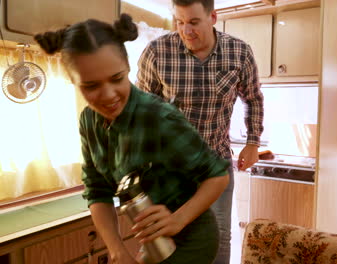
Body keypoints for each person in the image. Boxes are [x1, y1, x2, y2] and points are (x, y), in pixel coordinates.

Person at [34, 14, 230, 264]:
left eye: (117, 79)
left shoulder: (158, 116)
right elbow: (97, 190)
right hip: (154, 240)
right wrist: (117, 251)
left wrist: (177, 219)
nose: (108, 95)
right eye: (91, 85)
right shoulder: (88, 121)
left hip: (192, 238)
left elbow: (217, 176)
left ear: (127, 68)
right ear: (73, 82)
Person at [136, 1, 264, 262]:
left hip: (215, 163)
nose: (186, 31)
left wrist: (253, 142)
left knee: (218, 235)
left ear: (213, 17)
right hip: (169, 169)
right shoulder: (157, 52)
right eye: (179, 22)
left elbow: (253, 98)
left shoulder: (238, 52)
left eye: (193, 22)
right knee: (165, 238)